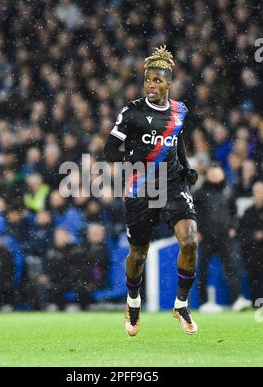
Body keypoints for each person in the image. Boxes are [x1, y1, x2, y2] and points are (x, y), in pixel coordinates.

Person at [104, 46, 199, 336]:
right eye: (148, 80)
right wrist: (128, 164)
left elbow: (176, 141)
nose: (151, 85)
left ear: (169, 83)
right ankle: (133, 301)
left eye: (157, 80)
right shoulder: (132, 111)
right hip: (140, 188)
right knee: (138, 256)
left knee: (190, 242)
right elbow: (109, 149)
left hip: (172, 185)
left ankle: (181, 305)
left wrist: (185, 166)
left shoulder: (179, 111)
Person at [194, 165, 252, 312]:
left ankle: (238, 299)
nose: (215, 177)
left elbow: (234, 212)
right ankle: (205, 302)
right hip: (206, 237)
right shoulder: (199, 193)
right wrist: (196, 230)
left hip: (225, 236)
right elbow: (192, 213)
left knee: (232, 267)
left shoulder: (229, 191)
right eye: (212, 174)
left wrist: (233, 227)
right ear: (207, 175)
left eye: (217, 174)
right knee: (203, 269)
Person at [238, 181, 263, 305]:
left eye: (260, 192)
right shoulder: (249, 212)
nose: (258, 194)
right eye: (256, 192)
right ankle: (257, 303)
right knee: (254, 279)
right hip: (252, 254)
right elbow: (242, 232)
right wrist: (254, 236)